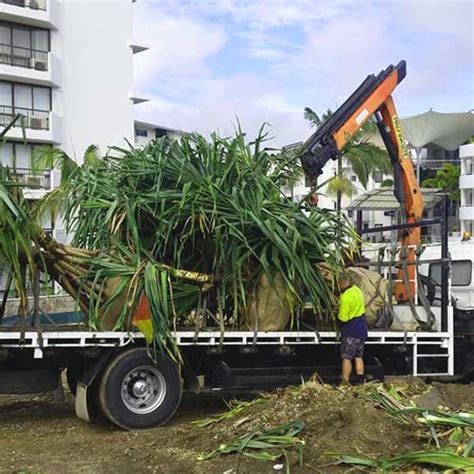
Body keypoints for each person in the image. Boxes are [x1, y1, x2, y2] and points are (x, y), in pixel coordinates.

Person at [337, 274, 368, 385]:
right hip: (362, 329)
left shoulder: (346, 297)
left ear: (341, 283)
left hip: (351, 330)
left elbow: (343, 318)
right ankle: (361, 381)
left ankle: (345, 381)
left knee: (347, 357)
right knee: (358, 356)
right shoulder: (357, 290)